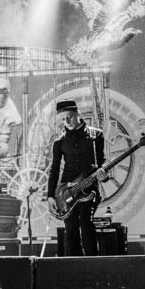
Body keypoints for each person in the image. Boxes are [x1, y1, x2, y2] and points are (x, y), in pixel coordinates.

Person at [47, 100, 108, 256]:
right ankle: (75, 265)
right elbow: (54, 170)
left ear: (78, 114)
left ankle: (93, 263)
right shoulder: (59, 142)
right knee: (71, 229)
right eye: (63, 119)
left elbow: (102, 161)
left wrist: (103, 175)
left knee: (86, 223)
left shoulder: (96, 135)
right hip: (67, 191)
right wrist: (50, 196)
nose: (67, 122)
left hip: (89, 187)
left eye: (70, 117)